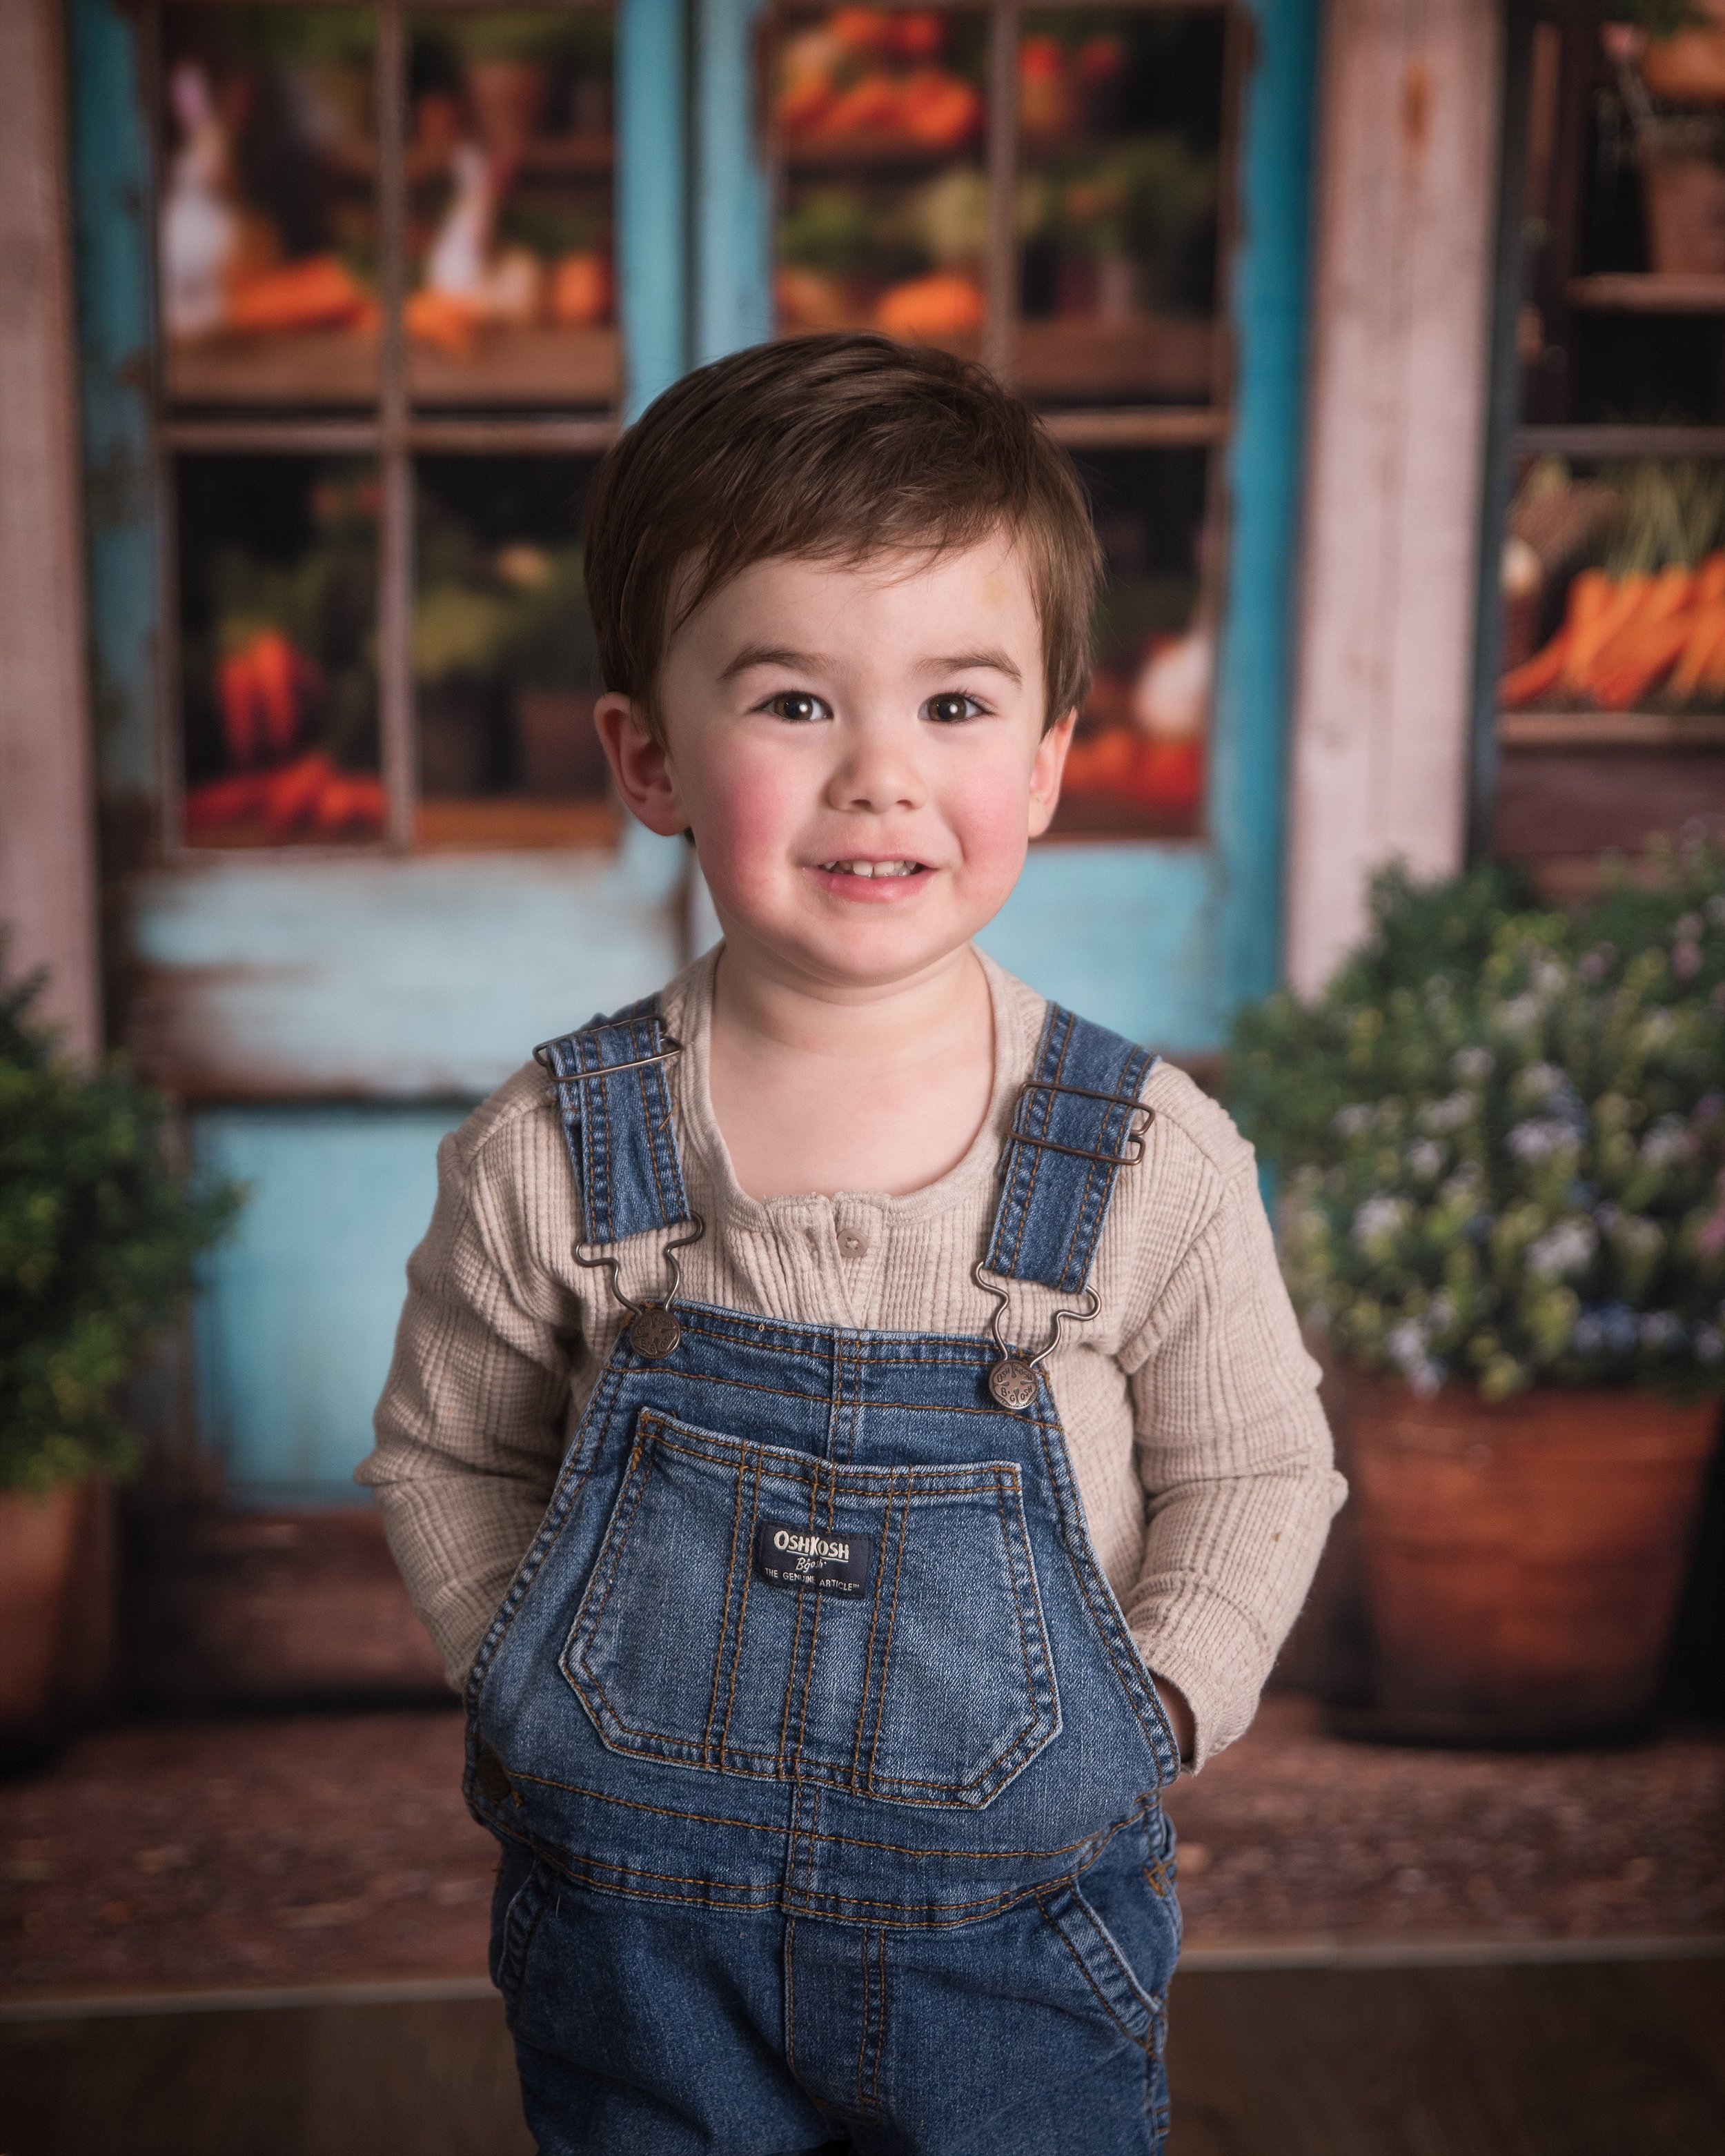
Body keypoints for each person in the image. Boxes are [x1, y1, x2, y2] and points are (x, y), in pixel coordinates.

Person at [362, 333, 1342, 2155]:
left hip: (1012, 1966)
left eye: (955, 709)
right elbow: (451, 1445)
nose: (879, 777)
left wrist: (1158, 1701)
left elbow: (1260, 1468)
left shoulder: (1144, 1160)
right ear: (647, 756)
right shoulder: (553, 1154)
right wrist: (520, 1674)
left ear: (1050, 762)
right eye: (794, 703)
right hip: (638, 1955)